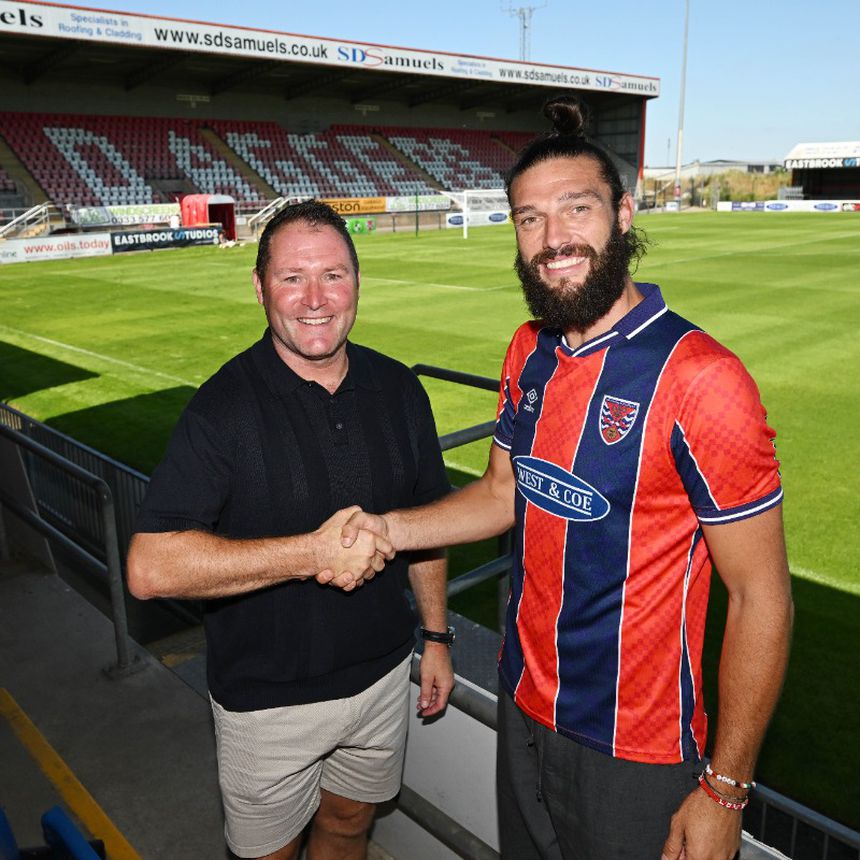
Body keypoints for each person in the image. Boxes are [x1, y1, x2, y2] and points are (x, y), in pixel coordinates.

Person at [339, 96, 793, 860]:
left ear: (621, 215)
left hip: (633, 749)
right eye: (528, 219)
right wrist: (384, 529)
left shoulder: (702, 380)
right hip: (523, 705)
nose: (553, 240)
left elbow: (761, 597)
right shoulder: (530, 351)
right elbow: (500, 495)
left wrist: (724, 788)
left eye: (575, 209)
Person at [127, 199, 454, 860]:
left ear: (358, 283)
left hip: (384, 677)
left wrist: (439, 637)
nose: (315, 299)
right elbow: (150, 566)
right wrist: (308, 553)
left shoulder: (400, 389)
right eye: (291, 277)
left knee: (349, 827)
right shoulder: (223, 408)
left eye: (333, 275)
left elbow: (427, 523)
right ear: (259, 287)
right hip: (266, 705)